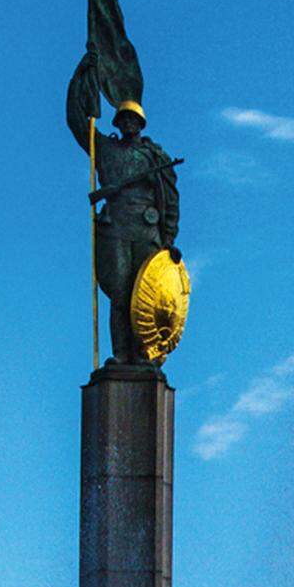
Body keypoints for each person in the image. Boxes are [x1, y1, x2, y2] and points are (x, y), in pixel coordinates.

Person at [66, 46, 180, 364]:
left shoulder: (155, 157)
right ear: (118, 122)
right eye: (124, 118)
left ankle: (145, 353)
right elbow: (76, 120)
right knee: (119, 294)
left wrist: (169, 239)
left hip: (146, 229)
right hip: (115, 226)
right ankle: (120, 354)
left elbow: (170, 199)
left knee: (144, 296)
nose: (129, 123)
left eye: (134, 119)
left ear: (141, 124)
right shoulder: (105, 150)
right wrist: (81, 75)